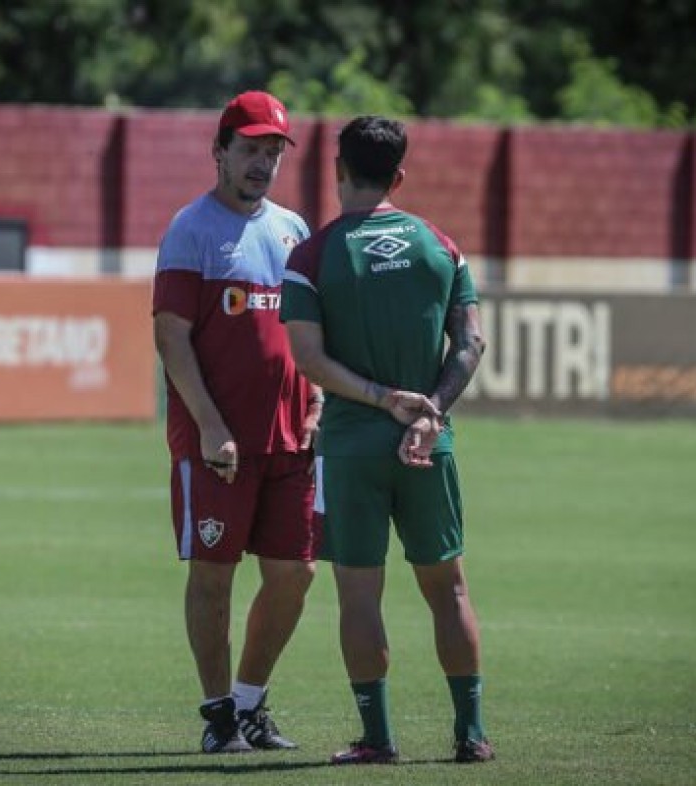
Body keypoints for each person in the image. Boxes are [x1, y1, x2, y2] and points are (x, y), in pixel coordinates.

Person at [280, 115, 494, 765]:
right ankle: (471, 734)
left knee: (358, 593)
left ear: (339, 171)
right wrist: (431, 413)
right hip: (429, 448)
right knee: (449, 589)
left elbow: (309, 360)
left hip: (350, 450)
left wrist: (379, 399)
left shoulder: (312, 256)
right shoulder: (441, 248)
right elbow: (472, 342)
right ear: (400, 175)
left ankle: (378, 739)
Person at [152, 90, 321, 754]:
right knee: (214, 576)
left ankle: (250, 703)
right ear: (219, 151)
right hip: (216, 443)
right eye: (249, 149)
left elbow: (311, 331)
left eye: (273, 151)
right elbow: (172, 339)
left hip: (291, 440)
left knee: (297, 574)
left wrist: (319, 397)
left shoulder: (294, 230)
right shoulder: (190, 229)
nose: (261, 163)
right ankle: (219, 716)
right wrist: (210, 425)